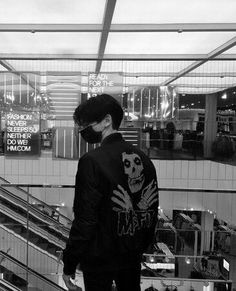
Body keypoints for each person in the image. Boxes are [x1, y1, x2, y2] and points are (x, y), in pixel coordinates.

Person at [62, 94, 159, 291]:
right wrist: (137, 249)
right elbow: (151, 212)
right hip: (132, 259)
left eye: (86, 124)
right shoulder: (145, 160)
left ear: (107, 120)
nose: (83, 130)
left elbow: (85, 219)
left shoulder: (91, 161)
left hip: (99, 261)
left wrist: (70, 262)